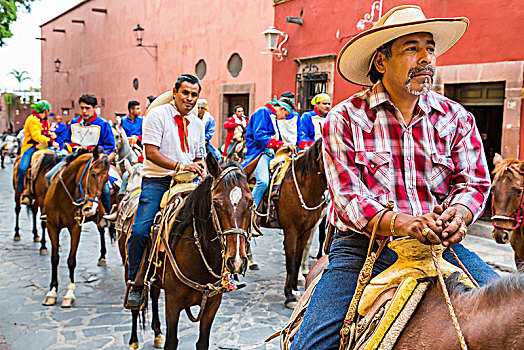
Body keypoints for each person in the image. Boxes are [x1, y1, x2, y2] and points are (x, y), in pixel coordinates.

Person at [291, 6, 499, 349]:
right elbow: (349, 203)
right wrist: (405, 223)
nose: (426, 58)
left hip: (442, 245)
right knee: (311, 345)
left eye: (429, 48)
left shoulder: (456, 117)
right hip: (362, 247)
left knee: (511, 318)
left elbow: (474, 183)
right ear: (381, 62)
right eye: (411, 48)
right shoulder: (344, 119)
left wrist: (459, 216)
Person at [125, 74, 206, 309]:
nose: (190, 99)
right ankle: (136, 282)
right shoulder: (157, 115)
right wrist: (180, 166)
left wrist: (199, 165)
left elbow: (198, 155)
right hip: (159, 181)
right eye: (185, 93)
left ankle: (221, 272)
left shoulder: (198, 124)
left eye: (194, 95)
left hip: (190, 181)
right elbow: (150, 153)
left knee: (218, 219)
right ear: (175, 92)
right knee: (141, 229)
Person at [44, 94, 115, 217]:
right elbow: (66, 142)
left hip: (94, 161)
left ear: (95, 108)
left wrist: (92, 149)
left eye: (87, 108)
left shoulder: (103, 124)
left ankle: (106, 216)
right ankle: (51, 209)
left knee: (106, 189)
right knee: (49, 176)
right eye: (82, 108)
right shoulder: (74, 122)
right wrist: (74, 146)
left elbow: (110, 146)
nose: (84, 111)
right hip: (74, 158)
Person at [240, 97, 296, 209]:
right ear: (282, 108)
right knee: (263, 182)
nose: (285, 117)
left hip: (272, 153)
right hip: (260, 153)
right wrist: (281, 145)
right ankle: (251, 209)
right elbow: (259, 136)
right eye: (286, 114)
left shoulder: (272, 116)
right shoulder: (263, 112)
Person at [18, 100, 58, 205]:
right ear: (46, 110)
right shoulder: (32, 120)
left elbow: (46, 131)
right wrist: (51, 141)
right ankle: (24, 192)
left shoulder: (45, 121)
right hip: (31, 147)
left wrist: (51, 134)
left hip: (44, 147)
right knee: (23, 168)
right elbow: (36, 136)